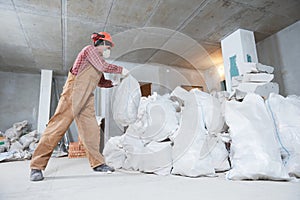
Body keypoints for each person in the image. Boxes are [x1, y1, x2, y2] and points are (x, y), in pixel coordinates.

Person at [30, 31, 129, 181]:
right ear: (102, 43)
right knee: (58, 127)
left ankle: (97, 163)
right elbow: (103, 66)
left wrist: (115, 83)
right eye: (108, 46)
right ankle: (36, 166)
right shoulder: (90, 50)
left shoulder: (97, 61)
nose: (109, 50)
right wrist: (121, 70)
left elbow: (101, 82)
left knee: (92, 131)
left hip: (87, 97)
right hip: (74, 92)